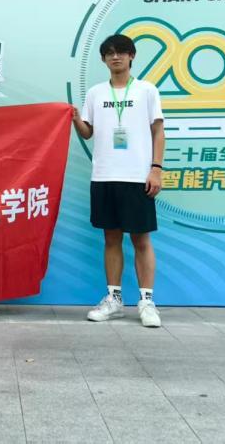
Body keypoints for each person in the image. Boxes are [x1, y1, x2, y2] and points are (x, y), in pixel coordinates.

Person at [72, 34, 165, 328]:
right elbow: (88, 132)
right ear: (103, 59)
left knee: (141, 239)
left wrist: (156, 169)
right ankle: (114, 300)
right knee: (111, 238)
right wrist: (75, 118)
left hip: (137, 176)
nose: (116, 57)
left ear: (131, 56)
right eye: (110, 53)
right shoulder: (96, 93)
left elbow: (158, 131)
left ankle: (147, 302)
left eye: (121, 52)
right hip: (104, 175)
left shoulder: (147, 90)